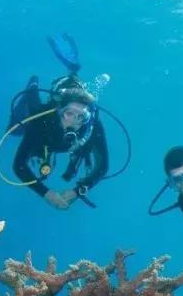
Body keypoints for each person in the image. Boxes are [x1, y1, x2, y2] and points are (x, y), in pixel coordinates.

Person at [10, 74, 109, 210]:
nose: (74, 121)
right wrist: (47, 194)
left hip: (62, 143)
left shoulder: (92, 126)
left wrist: (78, 191)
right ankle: (33, 83)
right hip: (45, 132)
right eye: (69, 113)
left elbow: (103, 166)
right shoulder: (40, 122)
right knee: (23, 117)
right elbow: (19, 165)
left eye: (81, 116)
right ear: (59, 111)